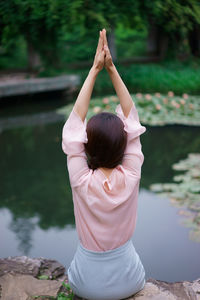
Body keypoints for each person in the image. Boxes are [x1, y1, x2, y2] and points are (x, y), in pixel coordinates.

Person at [62, 28, 146, 300]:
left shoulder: (81, 180)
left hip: (86, 285)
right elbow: (133, 120)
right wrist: (111, 69)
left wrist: (94, 70)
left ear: (86, 146)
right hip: (130, 280)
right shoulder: (131, 174)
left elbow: (73, 126)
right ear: (124, 145)